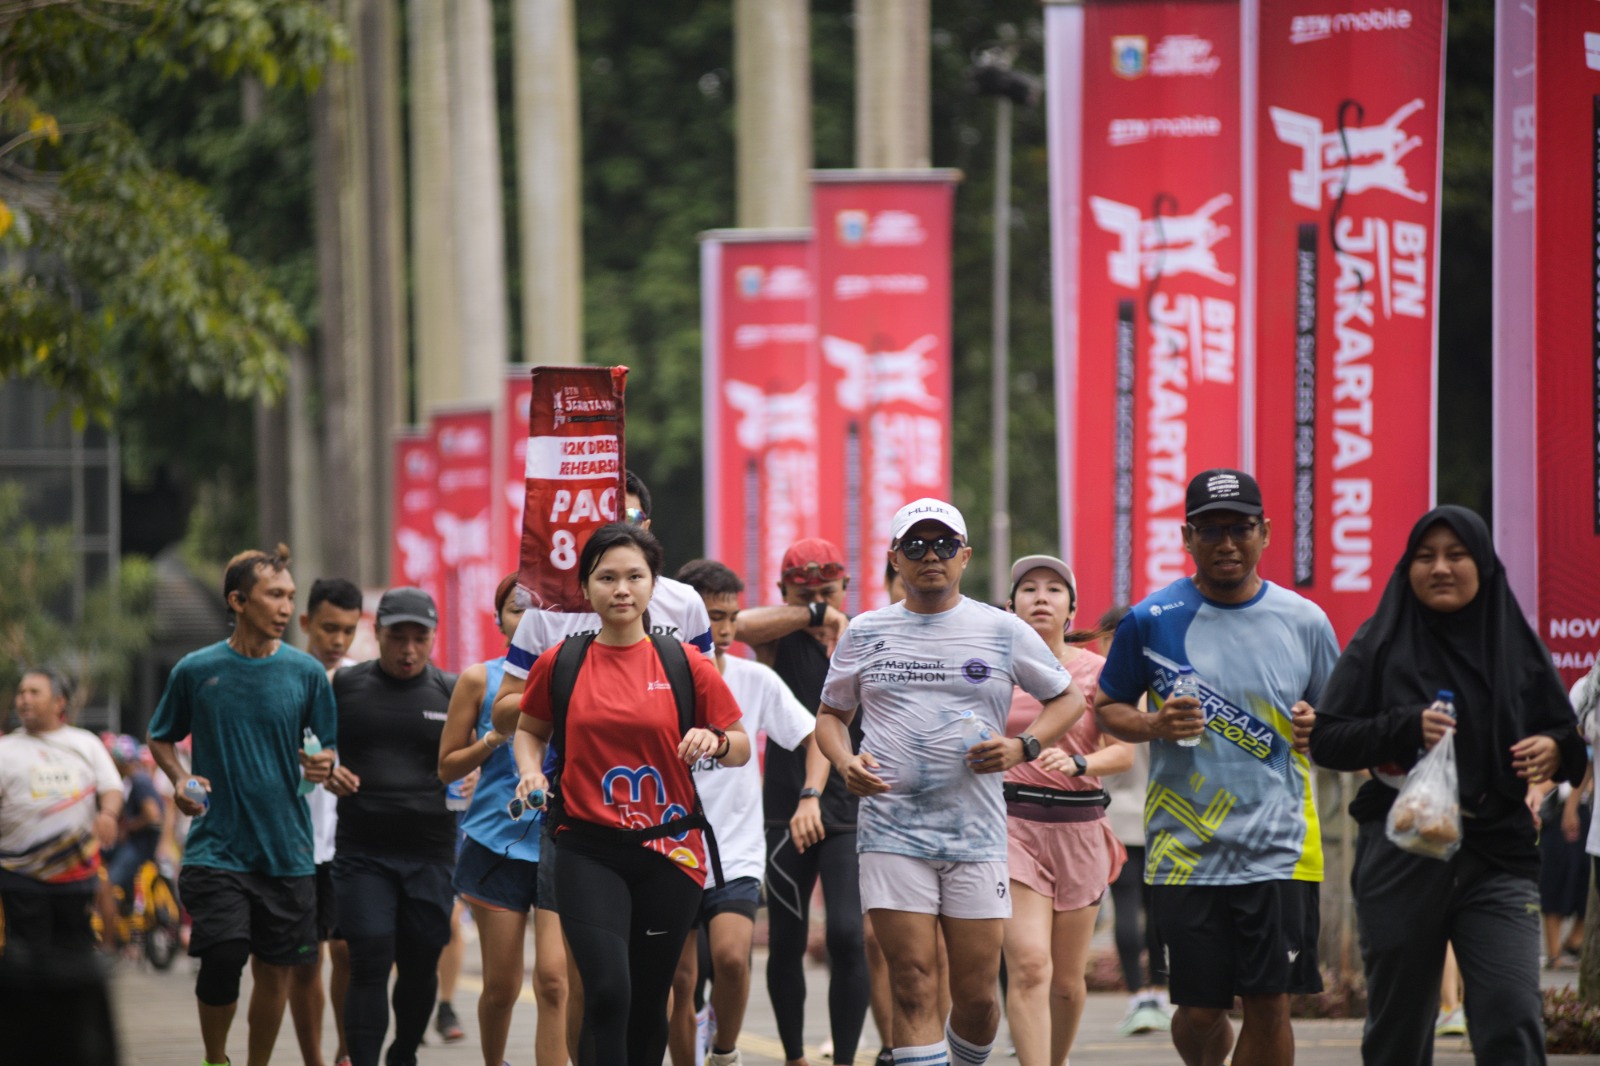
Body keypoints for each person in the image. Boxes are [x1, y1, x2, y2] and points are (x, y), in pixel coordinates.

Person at [1310, 505, 1587, 1066]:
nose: (1441, 568)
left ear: (1483, 564)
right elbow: (1329, 739)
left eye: (1457, 555)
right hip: (1400, 852)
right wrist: (1403, 725)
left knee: (1512, 1014)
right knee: (1398, 1029)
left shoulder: (1515, 643)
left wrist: (1556, 749)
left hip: (1499, 856)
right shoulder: (1379, 641)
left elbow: (1569, 742)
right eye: (1425, 556)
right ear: (1406, 567)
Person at [815, 498, 1087, 1066]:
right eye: (915, 546)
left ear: (964, 556)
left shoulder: (1001, 628)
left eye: (943, 545)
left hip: (977, 835)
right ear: (894, 558)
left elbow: (1068, 697)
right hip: (892, 831)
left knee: (977, 997)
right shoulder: (865, 632)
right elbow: (830, 716)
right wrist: (844, 763)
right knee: (912, 982)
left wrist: (1023, 745)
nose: (930, 556)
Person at [1094, 470, 1337, 1066]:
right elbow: (1107, 707)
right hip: (1186, 852)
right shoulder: (1152, 619)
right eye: (1210, 531)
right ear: (1186, 536)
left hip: (1280, 848)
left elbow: (1344, 720)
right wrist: (1153, 724)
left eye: (1240, 528)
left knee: (1270, 1004)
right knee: (1200, 1013)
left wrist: (1320, 728)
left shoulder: (1305, 620)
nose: (1226, 543)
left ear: (1266, 533)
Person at [489, 470, 713, 1061]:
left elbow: (729, 732)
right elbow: (519, 723)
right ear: (584, 584)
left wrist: (709, 740)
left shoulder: (683, 650)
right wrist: (532, 769)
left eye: (634, 574)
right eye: (606, 575)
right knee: (600, 988)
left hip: (671, 844)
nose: (621, 587)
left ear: (652, 580)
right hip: (583, 838)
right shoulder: (556, 649)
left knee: (649, 997)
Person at [148, 544, 338, 1066]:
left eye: (290, 596)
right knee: (224, 957)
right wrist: (181, 780)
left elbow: (326, 747)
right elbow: (161, 736)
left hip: (288, 849)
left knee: (276, 970)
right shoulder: (196, 670)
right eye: (273, 595)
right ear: (237, 600)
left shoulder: (307, 675)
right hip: (218, 848)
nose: (285, 607)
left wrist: (322, 766)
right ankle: (215, 1057)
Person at [668, 559, 818, 1066]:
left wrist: (810, 794)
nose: (726, 629)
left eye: (732, 617)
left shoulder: (756, 680)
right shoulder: (656, 678)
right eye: (713, 617)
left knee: (732, 958)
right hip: (668, 849)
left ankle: (725, 1052)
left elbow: (814, 735)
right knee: (681, 979)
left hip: (735, 849)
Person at [733, 537, 867, 1066]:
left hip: (850, 807)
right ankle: (793, 1056)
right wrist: (810, 613)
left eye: (828, 591)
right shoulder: (779, 642)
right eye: (804, 594)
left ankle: (844, 1058)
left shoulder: (860, 636)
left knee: (847, 935)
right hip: (785, 809)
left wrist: (839, 622)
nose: (818, 604)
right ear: (785, 593)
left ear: (846, 588)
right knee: (786, 940)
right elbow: (737, 625)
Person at [1000, 555, 1133, 1066]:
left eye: (1054, 590)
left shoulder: (1100, 672)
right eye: (1028, 589)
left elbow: (1122, 751)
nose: (1040, 597)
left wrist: (1080, 762)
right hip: (1014, 827)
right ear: (1011, 605)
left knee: (1066, 980)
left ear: (1071, 608)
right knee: (1031, 966)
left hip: (1080, 828)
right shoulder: (995, 670)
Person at [321, 587, 458, 1066]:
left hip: (431, 853)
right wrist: (323, 765)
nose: (408, 649)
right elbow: (308, 741)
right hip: (363, 852)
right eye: (396, 637)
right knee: (369, 960)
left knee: (421, 963)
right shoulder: (344, 686)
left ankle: (403, 1053)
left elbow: (479, 751)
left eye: (419, 638)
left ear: (433, 638)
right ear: (375, 634)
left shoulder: (451, 689)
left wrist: (474, 768)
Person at [438, 573, 567, 1066]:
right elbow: (446, 767)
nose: (529, 618)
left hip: (563, 842)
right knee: (501, 987)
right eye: (517, 609)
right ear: (499, 620)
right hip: (497, 845)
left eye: (541, 609)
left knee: (554, 980)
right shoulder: (480, 680)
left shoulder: (575, 672)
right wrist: (490, 740)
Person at [287, 576, 362, 1066]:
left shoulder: (363, 682)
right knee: (303, 959)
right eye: (329, 628)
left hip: (349, 840)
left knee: (350, 953)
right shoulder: (282, 676)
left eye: (349, 631)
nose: (337, 641)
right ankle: (313, 1057)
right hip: (291, 840)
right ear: (306, 623)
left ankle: (347, 1052)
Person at [0, 668, 123, 960]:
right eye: (21, 693)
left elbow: (111, 788)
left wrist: (107, 814)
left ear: (59, 702)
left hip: (76, 872)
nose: (24, 699)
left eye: (34, 692)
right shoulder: (5, 749)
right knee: (25, 957)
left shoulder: (86, 744)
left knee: (74, 955)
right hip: (20, 873)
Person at [1095, 604, 1171, 1036]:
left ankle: (1136, 996)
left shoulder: (1105, 695)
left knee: (1126, 907)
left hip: (1116, 817)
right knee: (1156, 909)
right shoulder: (1157, 691)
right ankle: (1159, 995)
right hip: (1159, 815)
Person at [98, 734, 165, 948]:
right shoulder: (135, 780)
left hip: (139, 846)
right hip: (135, 844)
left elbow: (152, 814)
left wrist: (127, 828)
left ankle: (108, 945)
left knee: (106, 885)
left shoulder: (139, 780)